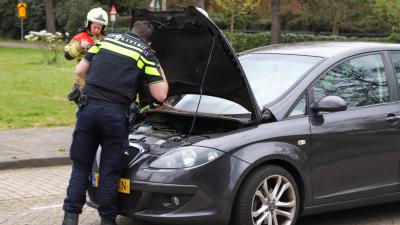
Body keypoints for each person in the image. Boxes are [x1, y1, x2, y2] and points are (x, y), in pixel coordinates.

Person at [62, 21, 169, 225]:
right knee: (110, 170)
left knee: (81, 166)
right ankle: (107, 220)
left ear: (132, 31)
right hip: (115, 116)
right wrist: (157, 63)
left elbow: (80, 71)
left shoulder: (105, 41)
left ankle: (70, 218)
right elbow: (161, 95)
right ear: (148, 40)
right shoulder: (145, 53)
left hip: (88, 110)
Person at [64, 7, 108, 103]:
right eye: (94, 27)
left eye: (99, 28)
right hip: (82, 80)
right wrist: (79, 46)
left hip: (99, 79)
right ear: (88, 24)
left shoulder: (105, 39)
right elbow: (67, 55)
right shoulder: (80, 37)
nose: (96, 30)